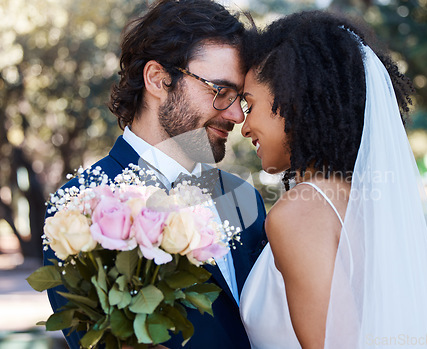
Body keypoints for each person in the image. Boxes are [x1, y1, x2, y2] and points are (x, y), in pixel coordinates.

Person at [43, 1, 267, 348]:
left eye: (240, 98)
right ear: (159, 80)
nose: (237, 116)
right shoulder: (78, 211)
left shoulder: (243, 197)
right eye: (220, 92)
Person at [239, 11, 427, 349]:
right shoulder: (365, 202)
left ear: (292, 102)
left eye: (249, 105)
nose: (243, 127)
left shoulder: (300, 215)